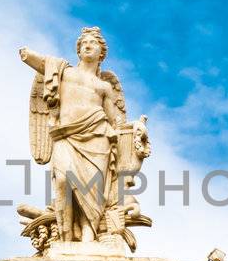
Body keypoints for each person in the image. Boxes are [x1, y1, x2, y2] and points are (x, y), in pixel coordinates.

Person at [18, 27, 149, 249]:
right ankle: (66, 237)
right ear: (78, 50)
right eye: (83, 43)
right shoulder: (63, 72)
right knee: (62, 182)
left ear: (101, 53)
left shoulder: (105, 86)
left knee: (92, 190)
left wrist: (136, 127)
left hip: (98, 138)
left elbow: (115, 122)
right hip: (66, 136)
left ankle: (89, 236)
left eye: (93, 43)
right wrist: (26, 54)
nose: (87, 46)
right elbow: (38, 62)